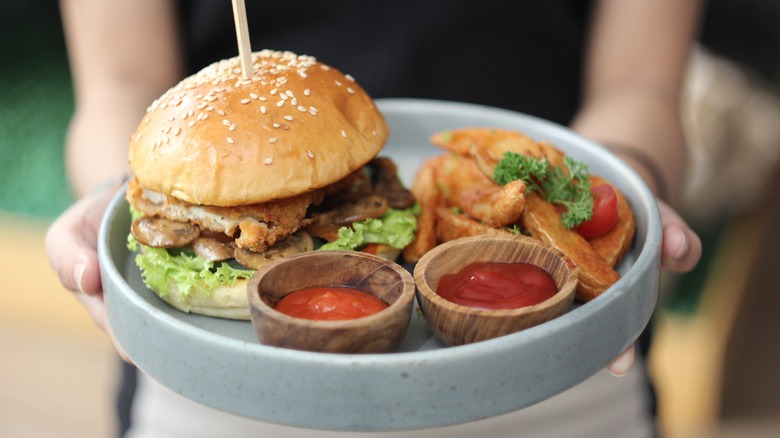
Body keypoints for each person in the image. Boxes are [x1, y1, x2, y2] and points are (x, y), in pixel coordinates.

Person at [47, 0, 703, 437]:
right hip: (215, 402)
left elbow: (639, 83)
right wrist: (113, 187)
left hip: (560, 387)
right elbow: (119, 80)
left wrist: (624, 177)